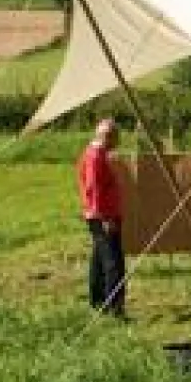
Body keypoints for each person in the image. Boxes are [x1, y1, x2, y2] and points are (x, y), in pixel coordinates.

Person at [77, 118, 127, 317]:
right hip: (103, 216)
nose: (118, 142)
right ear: (108, 137)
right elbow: (93, 188)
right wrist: (104, 217)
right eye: (116, 137)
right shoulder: (95, 157)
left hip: (100, 215)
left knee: (99, 259)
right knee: (113, 262)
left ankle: (98, 302)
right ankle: (114, 307)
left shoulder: (96, 154)